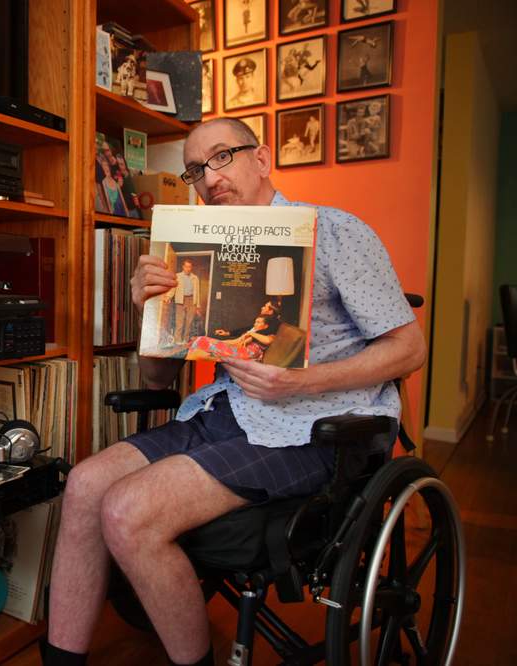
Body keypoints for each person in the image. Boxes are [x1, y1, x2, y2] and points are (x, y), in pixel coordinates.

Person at [42, 117, 425, 666]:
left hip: (316, 427)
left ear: (262, 159)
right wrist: (148, 309)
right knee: (83, 485)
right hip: (225, 413)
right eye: (195, 169)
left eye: (222, 157)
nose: (209, 178)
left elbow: (409, 349)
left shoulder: (338, 231)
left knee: (128, 510)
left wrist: (301, 379)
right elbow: (156, 380)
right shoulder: (197, 249)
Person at [186, 313, 280, 362]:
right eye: (255, 322)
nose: (255, 324)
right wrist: (217, 342)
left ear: (266, 326)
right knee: (200, 342)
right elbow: (236, 341)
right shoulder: (253, 332)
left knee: (201, 342)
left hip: (246, 354)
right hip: (238, 350)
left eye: (258, 322)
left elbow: (268, 341)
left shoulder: (268, 334)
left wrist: (251, 334)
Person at [162, 258, 202, 345]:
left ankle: (185, 340)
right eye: (186, 266)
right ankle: (177, 340)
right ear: (183, 267)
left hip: (192, 300)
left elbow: (197, 292)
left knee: (189, 322)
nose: (188, 269)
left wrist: (198, 306)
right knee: (179, 321)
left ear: (191, 267)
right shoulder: (177, 276)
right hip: (180, 300)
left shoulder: (195, 278)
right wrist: (168, 296)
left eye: (189, 267)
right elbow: (173, 288)